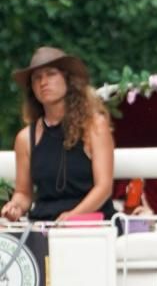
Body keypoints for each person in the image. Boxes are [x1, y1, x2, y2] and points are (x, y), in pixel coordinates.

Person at [2, 46, 115, 222]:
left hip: (91, 226)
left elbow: (104, 187)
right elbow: (24, 193)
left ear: (68, 80)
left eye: (51, 74)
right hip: (44, 227)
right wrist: (14, 207)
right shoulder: (25, 138)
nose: (43, 82)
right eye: (37, 78)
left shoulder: (94, 126)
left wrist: (73, 217)